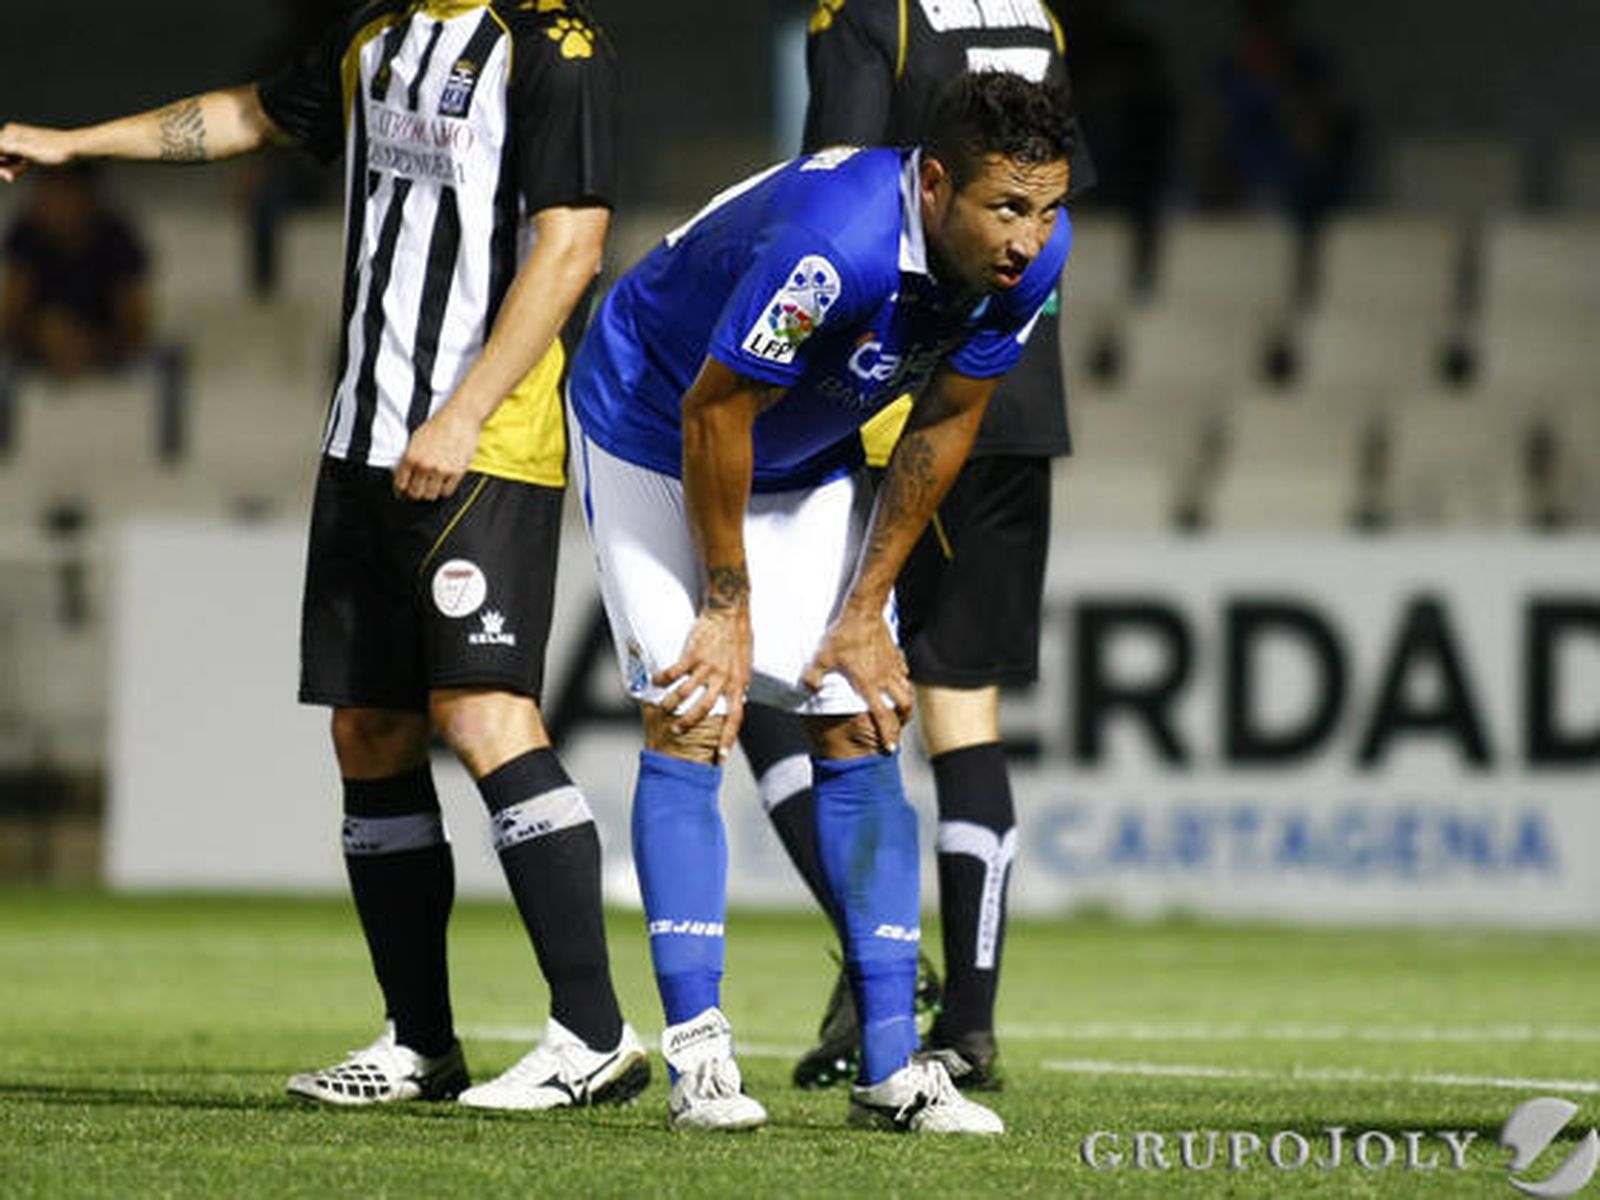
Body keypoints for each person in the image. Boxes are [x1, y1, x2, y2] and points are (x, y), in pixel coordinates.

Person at [0, 0, 649, 1112]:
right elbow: (249, 114)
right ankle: (419, 1042)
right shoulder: (374, 32)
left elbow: (573, 244)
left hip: (483, 439)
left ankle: (591, 1033)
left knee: (483, 713)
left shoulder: (549, 43)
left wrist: (462, 412)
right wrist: (73, 142)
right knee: (370, 726)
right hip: (363, 439)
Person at [567, 69, 1075, 1133]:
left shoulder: (1031, 262)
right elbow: (715, 415)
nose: (1030, 238)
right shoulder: (830, 245)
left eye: (1047, 206)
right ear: (933, 186)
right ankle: (699, 1059)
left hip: (803, 447)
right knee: (694, 709)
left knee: (859, 716)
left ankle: (892, 1070)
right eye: (1006, 207)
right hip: (653, 425)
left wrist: (863, 609)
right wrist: (725, 602)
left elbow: (942, 424)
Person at [736, 0, 1093, 1095]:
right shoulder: (1035, 16)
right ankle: (969, 1026)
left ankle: (882, 960)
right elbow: (1051, 184)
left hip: (892, 399)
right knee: (961, 710)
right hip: (1014, 391)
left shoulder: (867, 17)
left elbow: (835, 178)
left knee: (775, 690)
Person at [0, 163, 186, 458]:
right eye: (51, 193)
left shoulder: (117, 236)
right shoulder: (26, 235)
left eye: (67, 193)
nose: (59, 205)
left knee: (170, 363)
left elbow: (136, 325)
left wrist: (92, 346)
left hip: (107, 345)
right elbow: (10, 320)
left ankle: (170, 459)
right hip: (39, 347)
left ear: (89, 196)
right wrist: (45, 337)